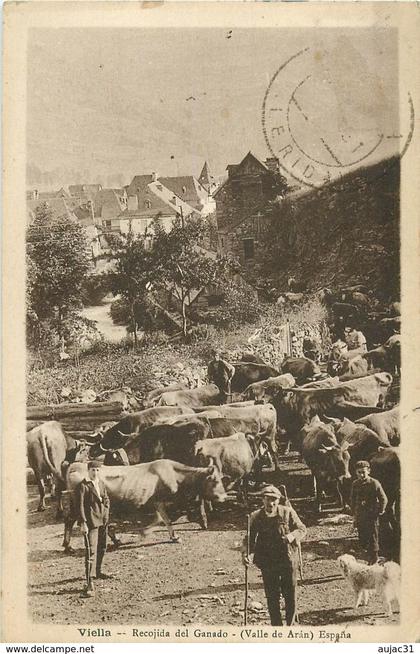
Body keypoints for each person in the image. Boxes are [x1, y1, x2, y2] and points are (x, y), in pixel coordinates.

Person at [242, 485, 306, 626]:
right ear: (262, 500)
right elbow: (249, 538)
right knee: (272, 596)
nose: (271, 504)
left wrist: (291, 536)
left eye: (274, 500)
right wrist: (246, 553)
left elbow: (302, 529)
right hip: (267, 561)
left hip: (287, 559)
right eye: (267, 500)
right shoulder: (256, 516)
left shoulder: (287, 512)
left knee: (290, 594)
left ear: (278, 500)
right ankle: (276, 626)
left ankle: (291, 625)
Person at [77, 460, 112, 598]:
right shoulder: (83, 486)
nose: (95, 473)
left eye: (97, 470)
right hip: (91, 522)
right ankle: (89, 582)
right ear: (88, 470)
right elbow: (79, 506)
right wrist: (83, 523)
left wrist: (106, 512)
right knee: (91, 551)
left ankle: (98, 572)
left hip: (103, 521)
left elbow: (106, 498)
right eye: (93, 470)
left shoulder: (101, 483)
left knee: (102, 547)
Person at [351, 460, 388, 565]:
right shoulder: (355, 484)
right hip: (360, 515)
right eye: (359, 472)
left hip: (372, 515)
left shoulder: (374, 483)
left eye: (364, 472)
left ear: (369, 471)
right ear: (356, 473)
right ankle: (369, 556)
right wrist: (354, 513)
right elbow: (352, 499)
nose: (362, 475)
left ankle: (374, 559)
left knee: (373, 537)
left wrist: (380, 510)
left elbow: (383, 498)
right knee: (363, 537)